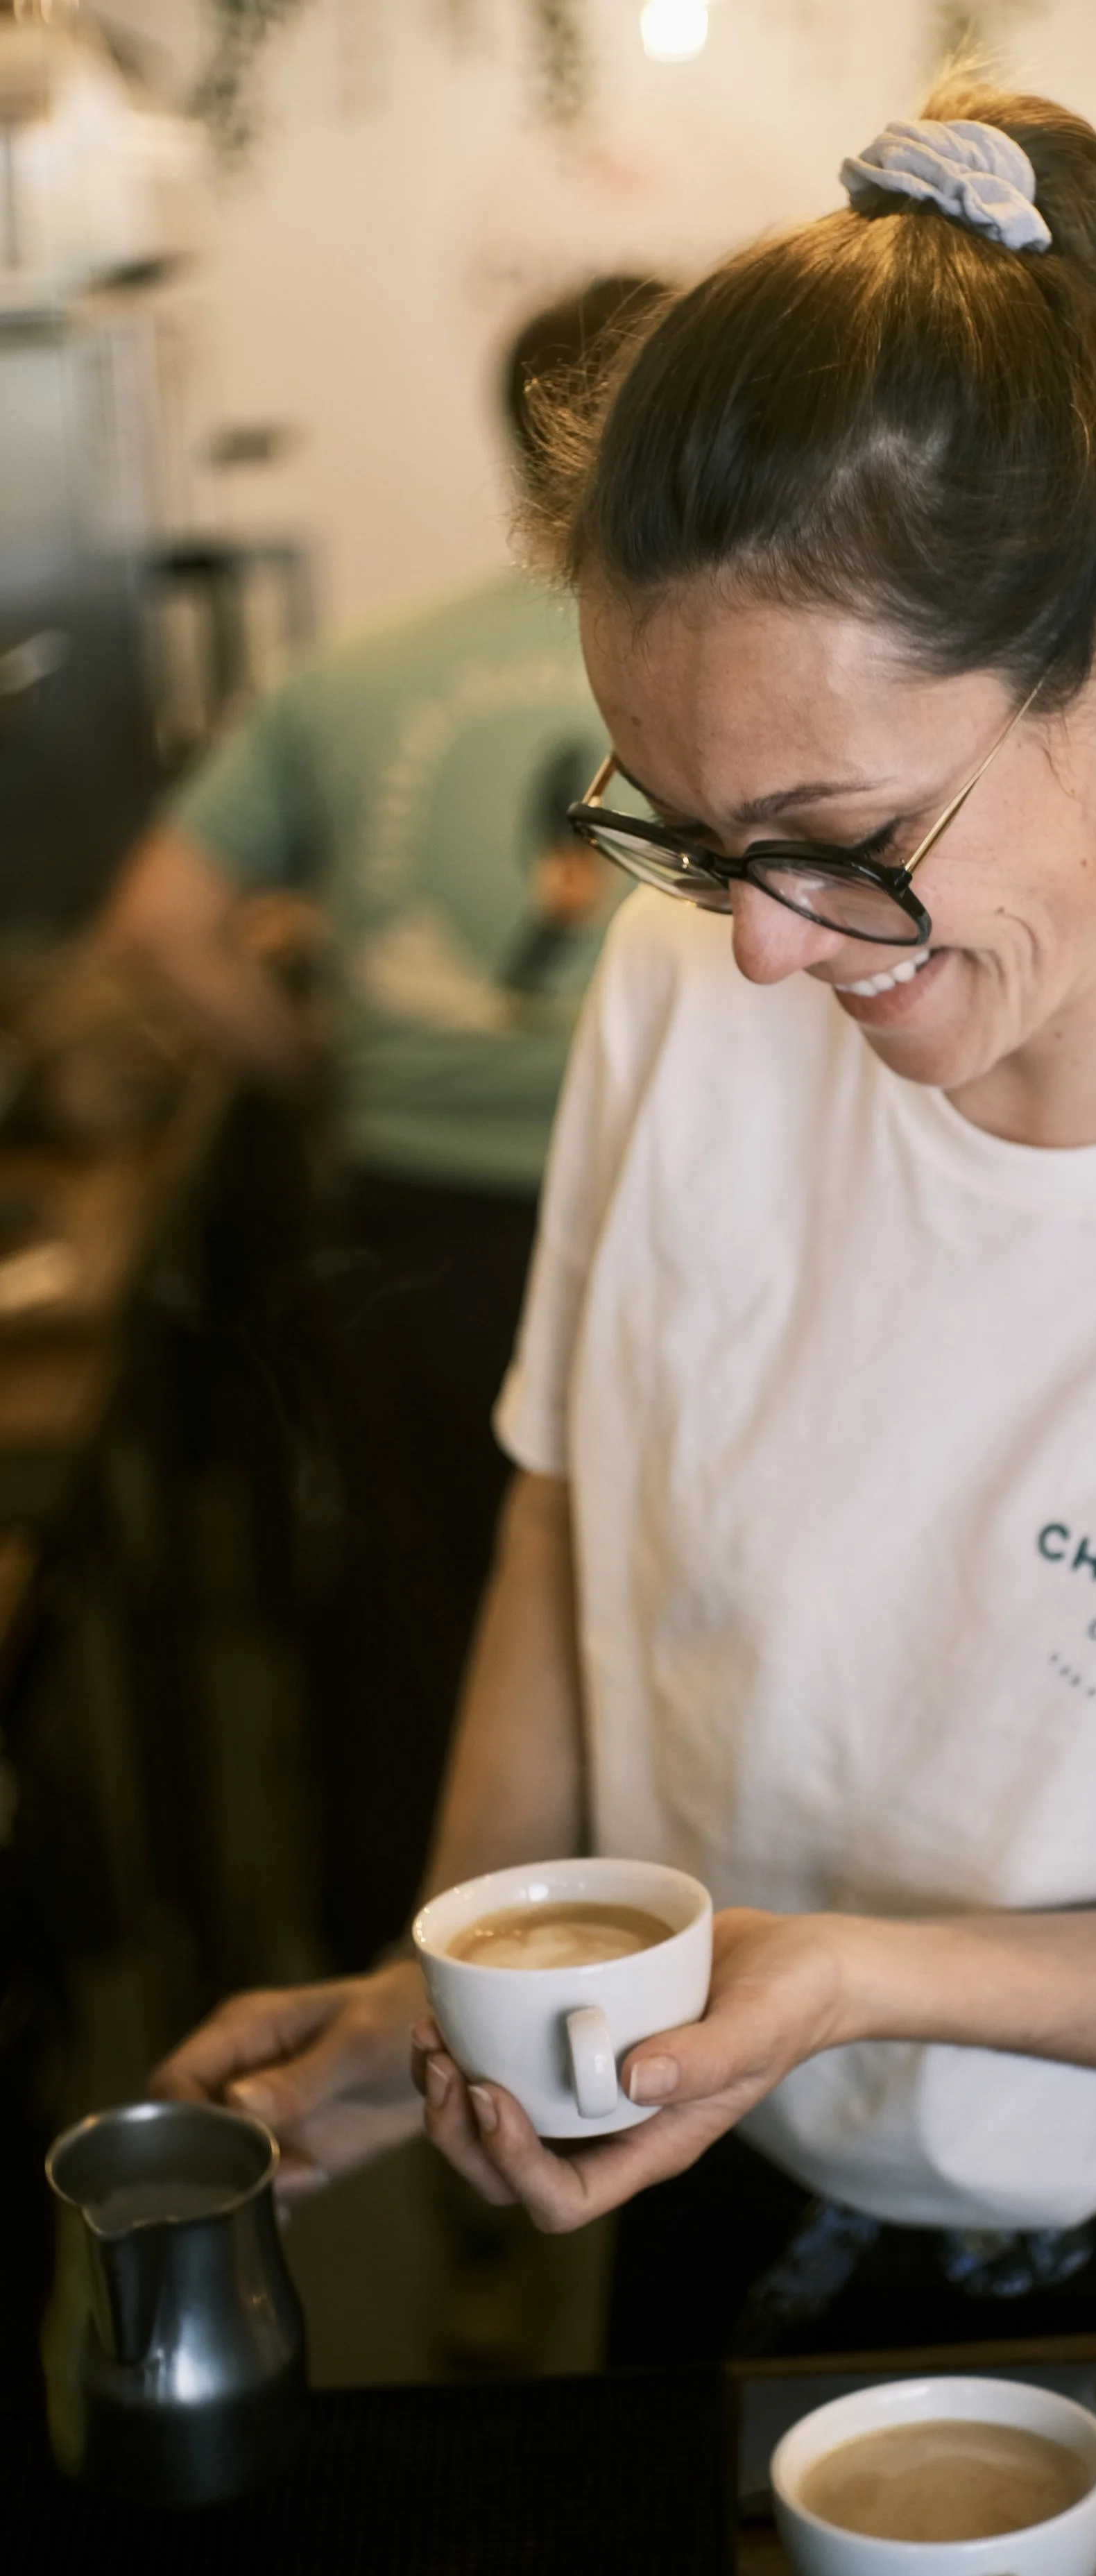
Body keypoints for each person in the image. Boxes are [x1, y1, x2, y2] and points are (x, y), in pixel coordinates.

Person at [153, 89, 1096, 2361]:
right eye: (685, 832)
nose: (763, 949)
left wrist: (860, 1979)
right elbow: (574, 1526)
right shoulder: (691, 987)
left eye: (837, 835)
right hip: (729, 2154)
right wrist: (472, 1981)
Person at [108, 279, 662, 1968]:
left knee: (416, 1626)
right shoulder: (737, 657)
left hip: (416, 1227)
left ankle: (417, 2007)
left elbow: (159, 925)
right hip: (660, 1217)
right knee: (668, 1626)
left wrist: (320, 1066)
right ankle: (655, 1983)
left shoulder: (358, 673)